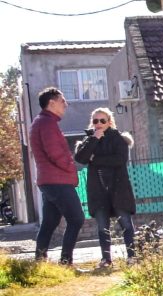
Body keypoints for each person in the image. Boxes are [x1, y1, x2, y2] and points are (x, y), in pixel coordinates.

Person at [74, 107, 137, 267]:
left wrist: (95, 159)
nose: (99, 123)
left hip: (119, 188)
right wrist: (94, 139)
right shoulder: (89, 140)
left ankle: (132, 257)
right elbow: (81, 158)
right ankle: (106, 259)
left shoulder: (119, 139)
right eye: (96, 121)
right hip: (98, 189)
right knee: (102, 227)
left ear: (110, 122)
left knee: (126, 224)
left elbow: (119, 160)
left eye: (103, 120)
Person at [28, 87, 83, 265]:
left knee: (50, 222)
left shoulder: (42, 122)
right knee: (76, 219)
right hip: (57, 181)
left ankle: (40, 262)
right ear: (51, 103)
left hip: (49, 180)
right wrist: (70, 166)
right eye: (62, 101)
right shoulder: (46, 123)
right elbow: (55, 153)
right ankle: (66, 262)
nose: (66, 104)